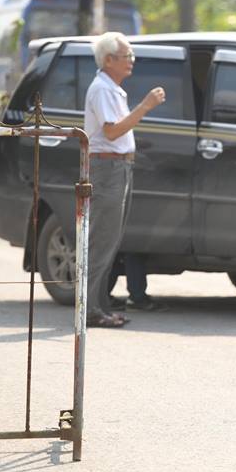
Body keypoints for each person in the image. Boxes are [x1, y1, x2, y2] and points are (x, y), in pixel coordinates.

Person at [84, 32, 166, 328]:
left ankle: (100, 307)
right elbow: (111, 132)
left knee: (110, 240)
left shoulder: (112, 88)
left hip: (119, 167)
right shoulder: (103, 89)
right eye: (126, 56)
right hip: (107, 168)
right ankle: (91, 310)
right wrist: (145, 106)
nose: (131, 61)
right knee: (101, 241)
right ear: (108, 60)